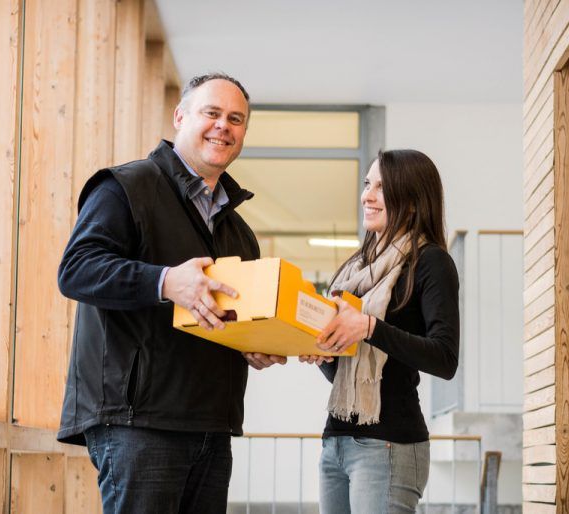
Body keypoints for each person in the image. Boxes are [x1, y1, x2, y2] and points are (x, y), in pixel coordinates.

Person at [57, 72, 285, 514]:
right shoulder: (126, 186)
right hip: (138, 422)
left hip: (211, 424)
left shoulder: (239, 232)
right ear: (180, 116)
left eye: (236, 119)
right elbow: (76, 269)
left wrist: (255, 345)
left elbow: (231, 318)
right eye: (212, 113)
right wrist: (164, 281)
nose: (224, 126)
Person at [300, 149, 459, 513]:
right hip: (336, 443)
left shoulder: (431, 262)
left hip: (390, 445)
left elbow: (445, 358)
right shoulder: (355, 269)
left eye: (381, 188)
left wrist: (370, 326)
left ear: (414, 202)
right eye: (367, 184)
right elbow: (351, 371)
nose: (367, 196)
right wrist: (324, 354)